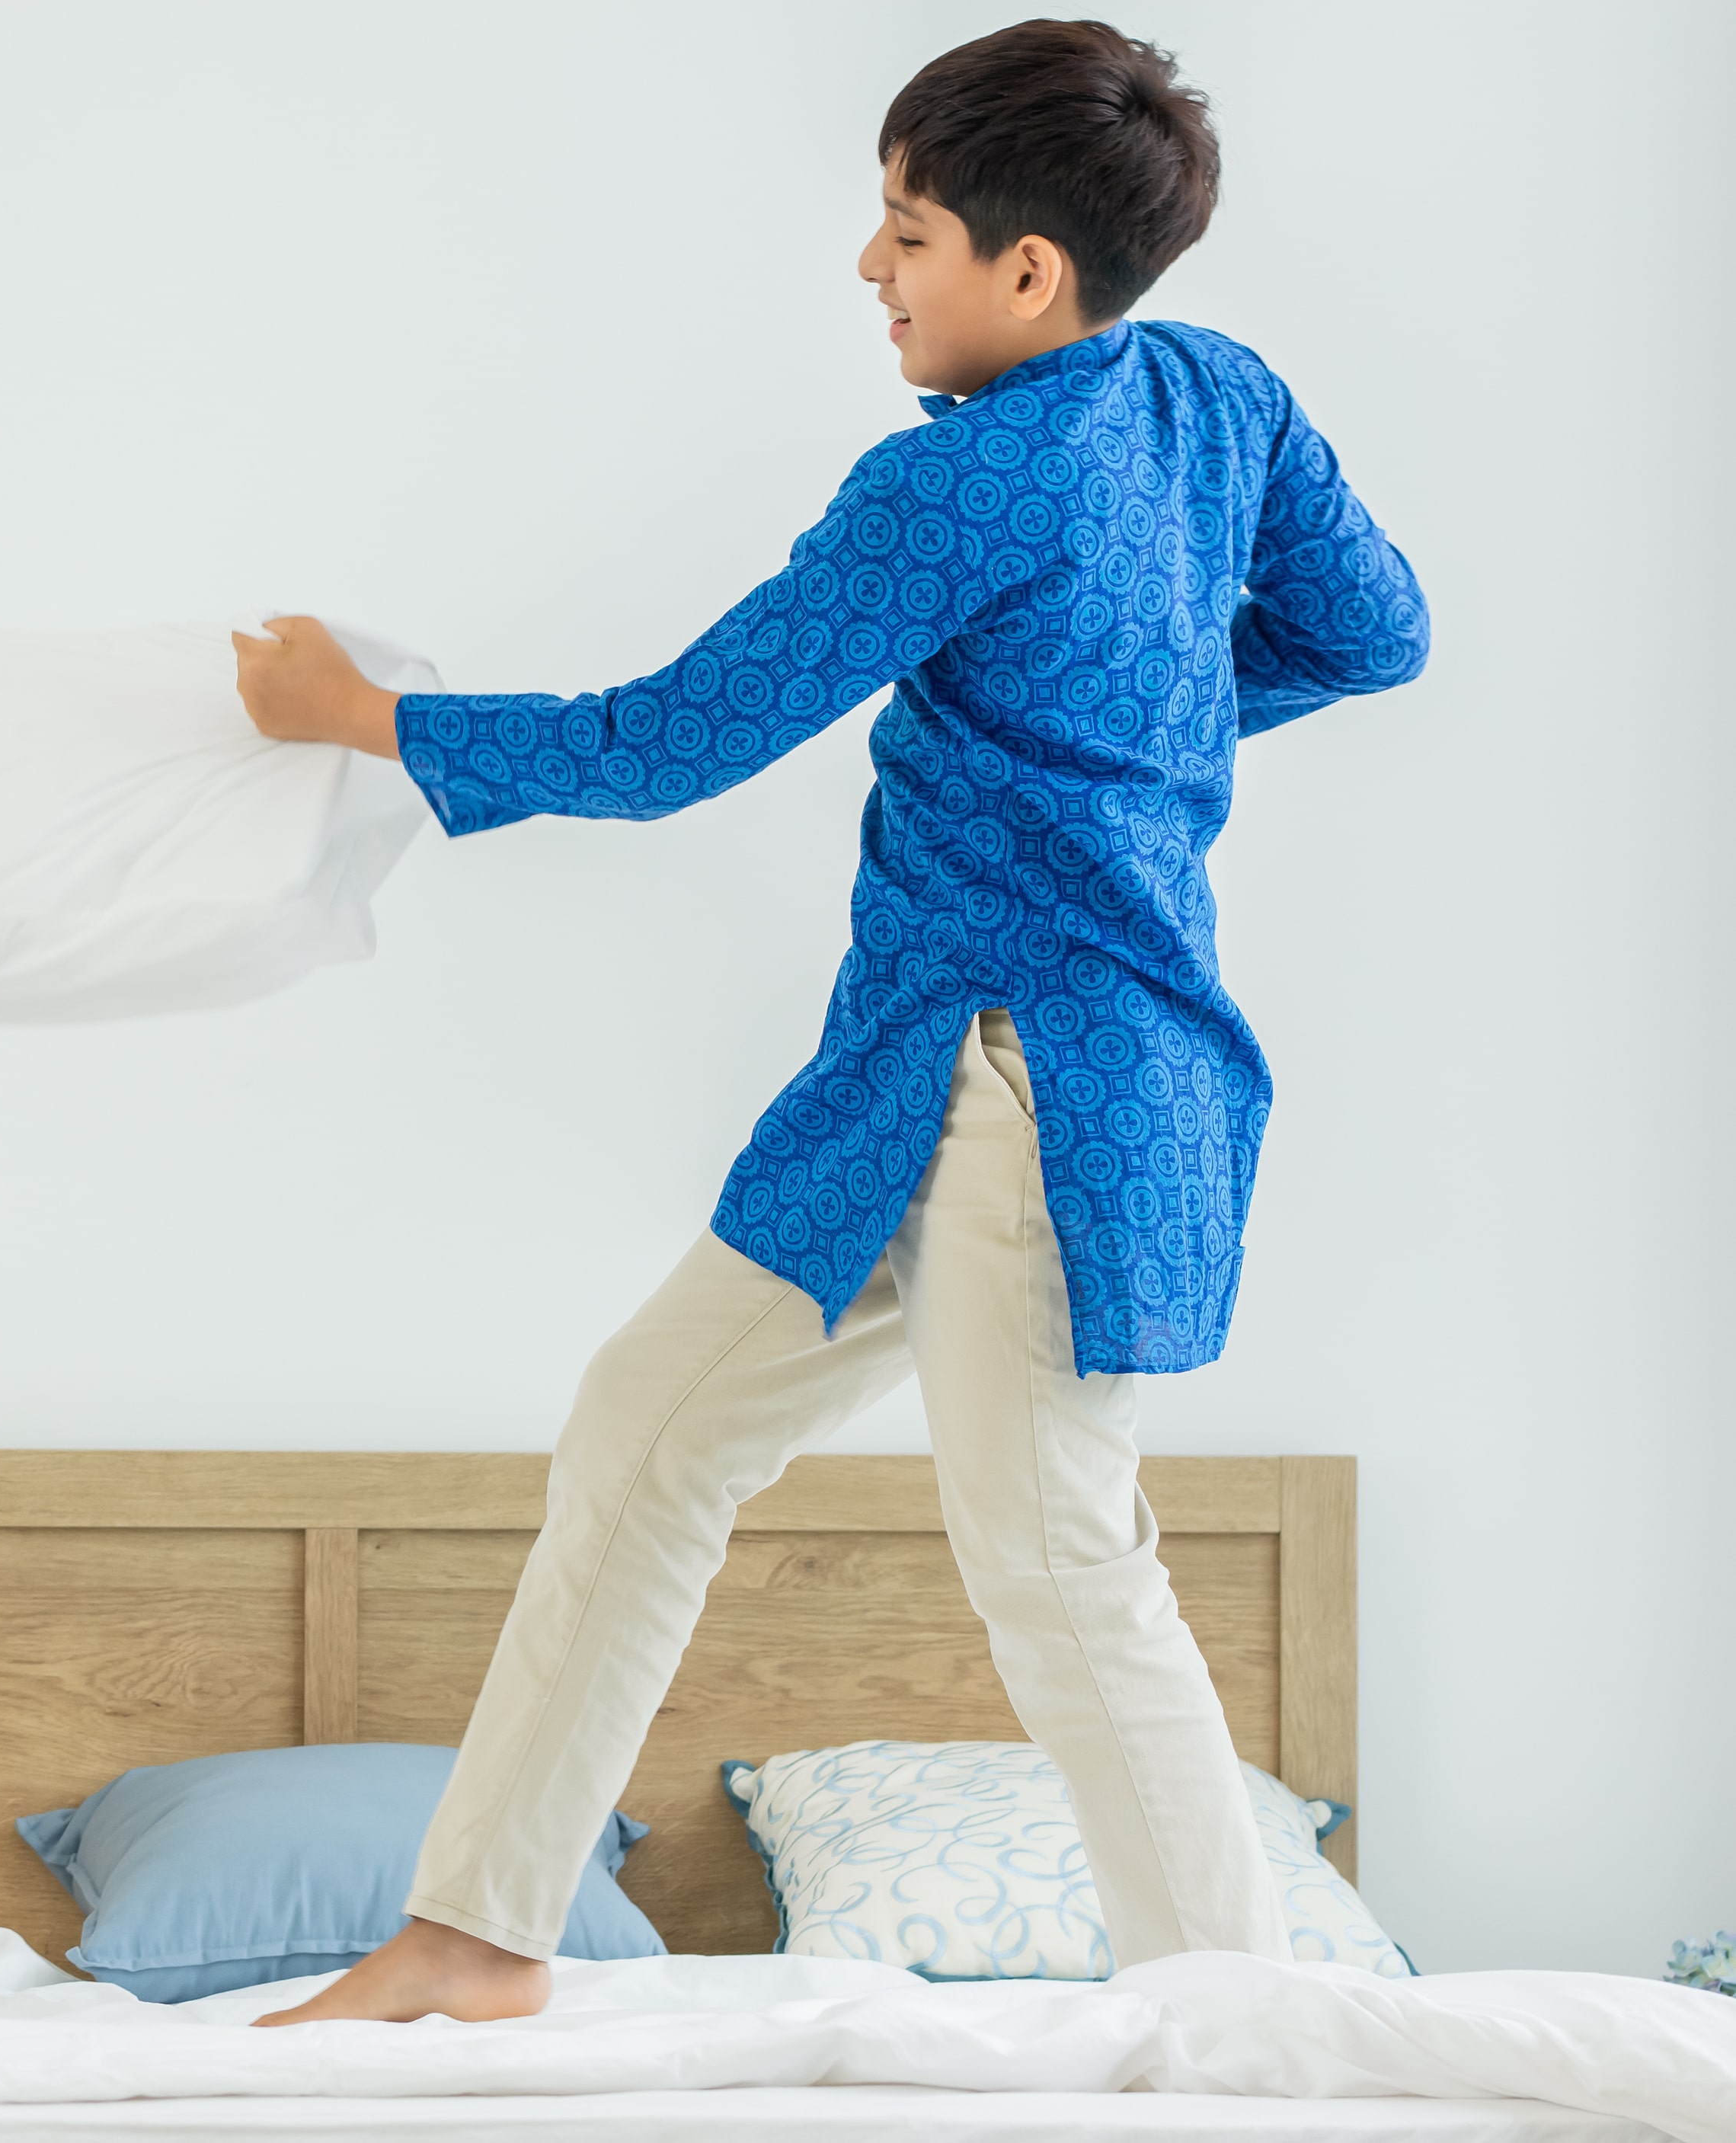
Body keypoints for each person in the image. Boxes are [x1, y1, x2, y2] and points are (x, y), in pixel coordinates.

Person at [232, 19, 1427, 2025]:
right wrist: (1141, 728)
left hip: (1038, 1078)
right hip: (909, 1072)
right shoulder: (1223, 400)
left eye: (904, 227)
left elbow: (669, 740)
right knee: (646, 1424)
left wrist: (358, 721)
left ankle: (1249, 2025)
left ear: (1023, 272)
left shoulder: (953, 486)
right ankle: (473, 1930)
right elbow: (1370, 625)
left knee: (1055, 1556)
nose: (867, 268)